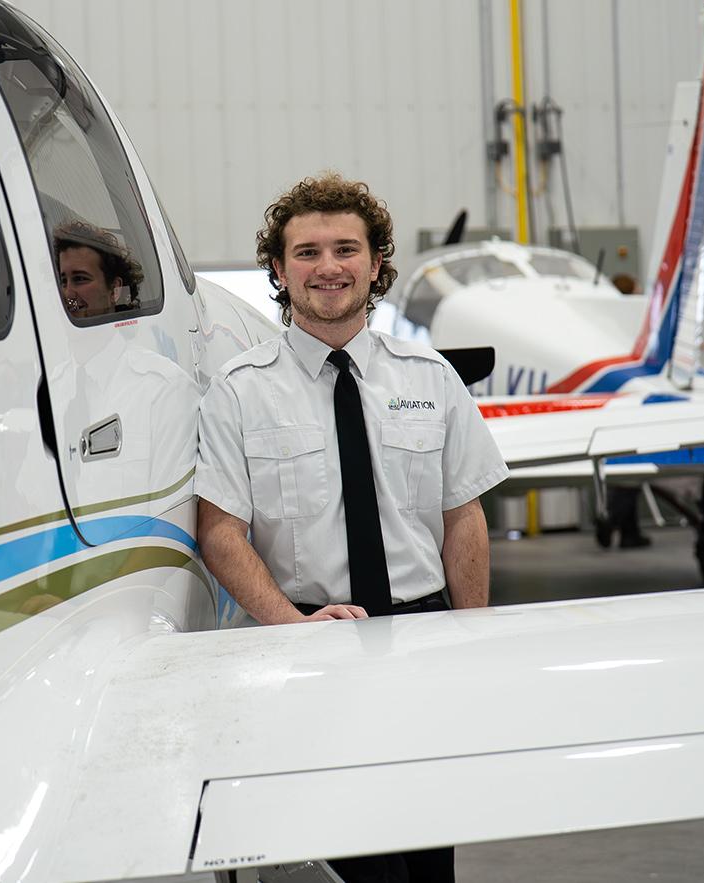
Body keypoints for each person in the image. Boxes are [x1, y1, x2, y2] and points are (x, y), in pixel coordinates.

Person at [194, 173, 508, 883]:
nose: (327, 267)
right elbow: (219, 531)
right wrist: (290, 623)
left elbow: (463, 515)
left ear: (375, 263)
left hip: (421, 642)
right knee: (354, 860)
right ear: (278, 269)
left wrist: (472, 639)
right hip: (309, 645)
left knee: (428, 857)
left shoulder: (431, 378)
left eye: (345, 249)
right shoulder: (239, 390)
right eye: (306, 252)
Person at [52, 219, 143, 319]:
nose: (68, 294)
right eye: (63, 281)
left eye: (80, 279)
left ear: (114, 290)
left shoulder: (142, 332)